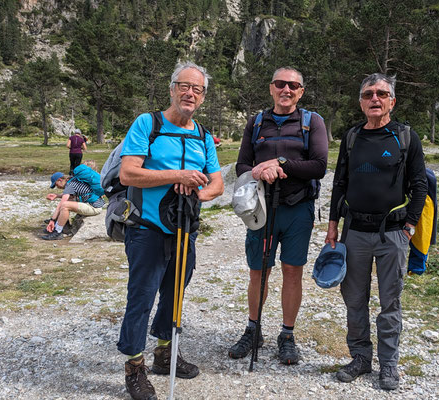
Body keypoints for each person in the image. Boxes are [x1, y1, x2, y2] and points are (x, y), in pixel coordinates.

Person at [116, 61, 223, 400]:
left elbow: (217, 183)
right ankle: (134, 366)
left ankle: (165, 352)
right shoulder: (148, 124)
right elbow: (128, 174)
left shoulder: (203, 135)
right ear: (172, 88)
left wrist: (197, 194)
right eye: (184, 86)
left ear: (203, 97)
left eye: (198, 89)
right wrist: (178, 177)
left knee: (175, 294)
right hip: (147, 229)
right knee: (142, 297)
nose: (190, 93)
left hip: (184, 230)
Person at [325, 73, 428, 391]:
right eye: (368, 94)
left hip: (393, 234)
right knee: (354, 299)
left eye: (382, 94)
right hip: (353, 232)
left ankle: (389, 366)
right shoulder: (352, 137)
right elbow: (340, 182)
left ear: (392, 102)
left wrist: (409, 226)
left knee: (390, 302)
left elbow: (420, 184)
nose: (375, 99)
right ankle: (360, 358)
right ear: (361, 102)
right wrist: (332, 225)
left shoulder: (406, 137)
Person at [230, 67, 328, 365]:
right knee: (258, 271)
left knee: (292, 272)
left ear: (301, 91)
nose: (287, 90)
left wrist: (280, 163)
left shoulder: (313, 122)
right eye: (280, 84)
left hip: (298, 209)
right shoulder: (256, 122)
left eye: (293, 86)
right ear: (271, 88)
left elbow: (319, 165)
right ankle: (253, 329)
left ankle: (287, 334)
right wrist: (261, 170)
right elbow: (242, 166)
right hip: (261, 208)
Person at [43, 170, 104, 240]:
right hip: (93, 204)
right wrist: (57, 196)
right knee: (65, 203)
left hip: (94, 207)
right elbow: (71, 196)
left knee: (65, 205)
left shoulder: (70, 185)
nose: (57, 187)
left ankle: (57, 232)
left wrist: (52, 220)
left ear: (60, 180)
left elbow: (62, 203)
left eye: (56, 185)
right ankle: (64, 228)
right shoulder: (73, 181)